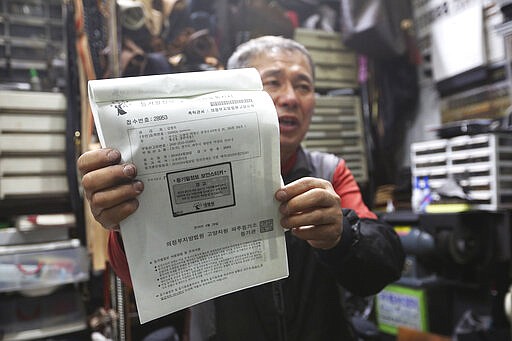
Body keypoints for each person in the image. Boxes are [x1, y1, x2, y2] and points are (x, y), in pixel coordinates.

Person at [78, 35, 405, 340]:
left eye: (303, 86)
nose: (290, 97)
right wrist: (123, 222)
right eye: (273, 82)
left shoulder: (330, 172)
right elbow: (137, 279)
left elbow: (383, 261)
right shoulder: (181, 170)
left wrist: (343, 236)